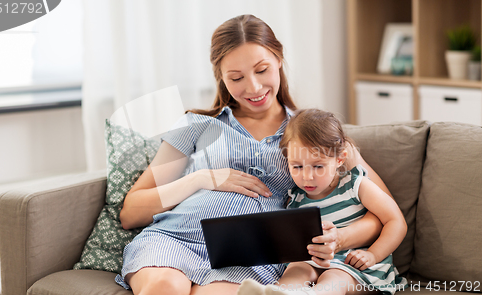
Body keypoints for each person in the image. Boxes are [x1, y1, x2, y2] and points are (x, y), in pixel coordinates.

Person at [115, 14, 391, 295]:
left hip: (250, 258)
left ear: (279, 59)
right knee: (164, 286)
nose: (254, 88)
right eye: (237, 77)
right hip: (175, 238)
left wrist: (340, 238)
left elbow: (384, 211)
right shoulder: (196, 126)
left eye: (262, 70)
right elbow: (130, 213)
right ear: (221, 78)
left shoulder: (314, 133)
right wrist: (201, 179)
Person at [238, 109, 408, 295]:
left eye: (318, 166)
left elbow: (396, 221)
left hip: (355, 265)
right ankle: (280, 292)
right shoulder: (295, 198)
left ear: (339, 159)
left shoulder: (356, 185)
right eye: (297, 166)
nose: (307, 177)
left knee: (333, 277)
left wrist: (373, 254)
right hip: (313, 261)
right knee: (296, 270)